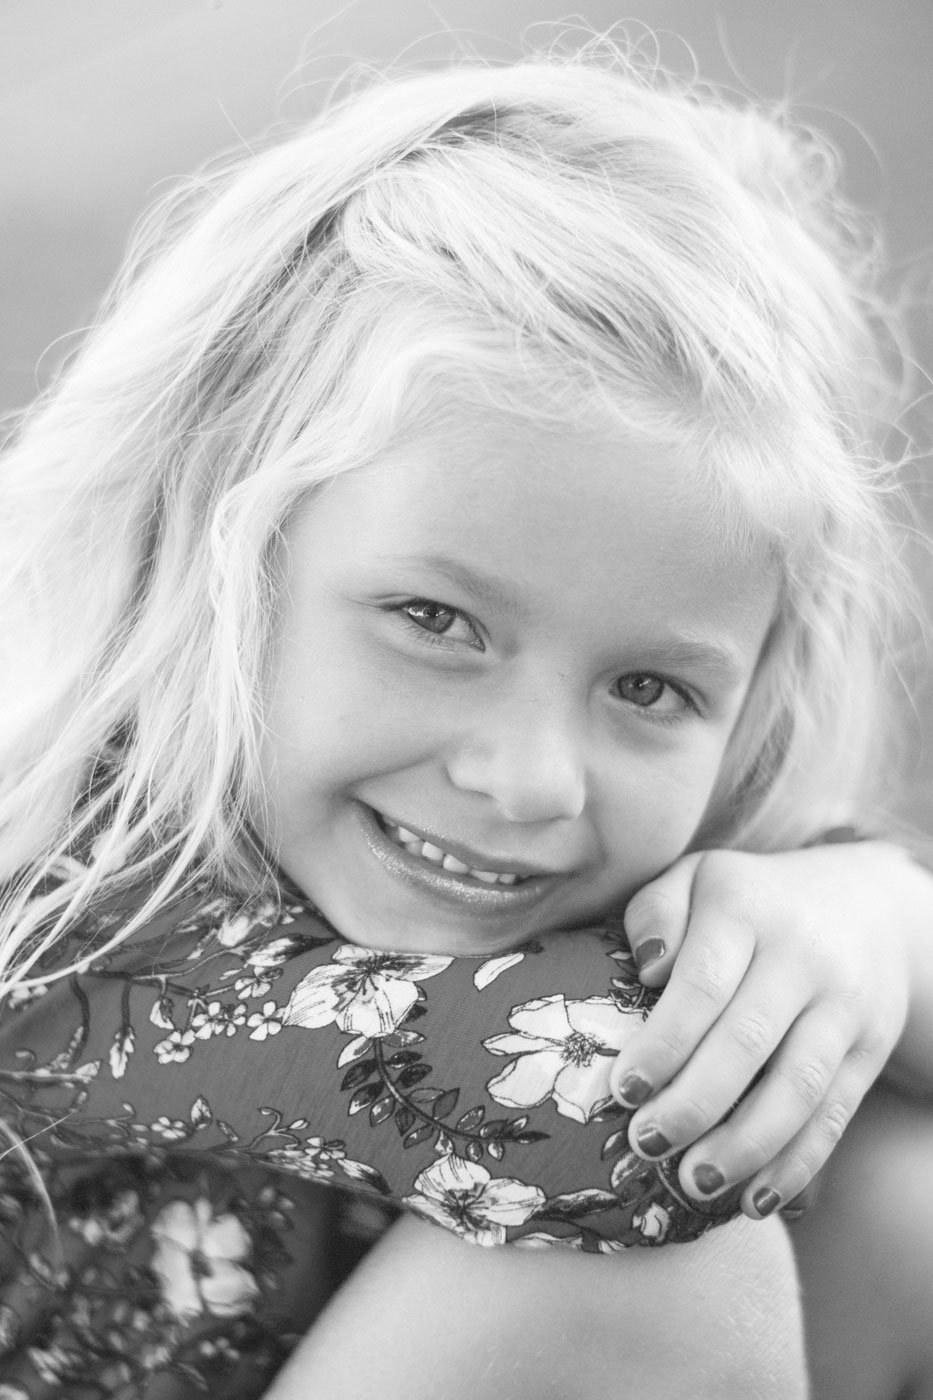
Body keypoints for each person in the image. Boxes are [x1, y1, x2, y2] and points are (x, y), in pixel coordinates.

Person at [1, 42, 932, 1400]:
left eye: (648, 689)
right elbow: (595, 1126)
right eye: (436, 621)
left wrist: (872, 918)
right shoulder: (67, 897)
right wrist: (873, 958)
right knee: (668, 1267)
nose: (531, 779)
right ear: (213, 550)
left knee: (895, 1197)